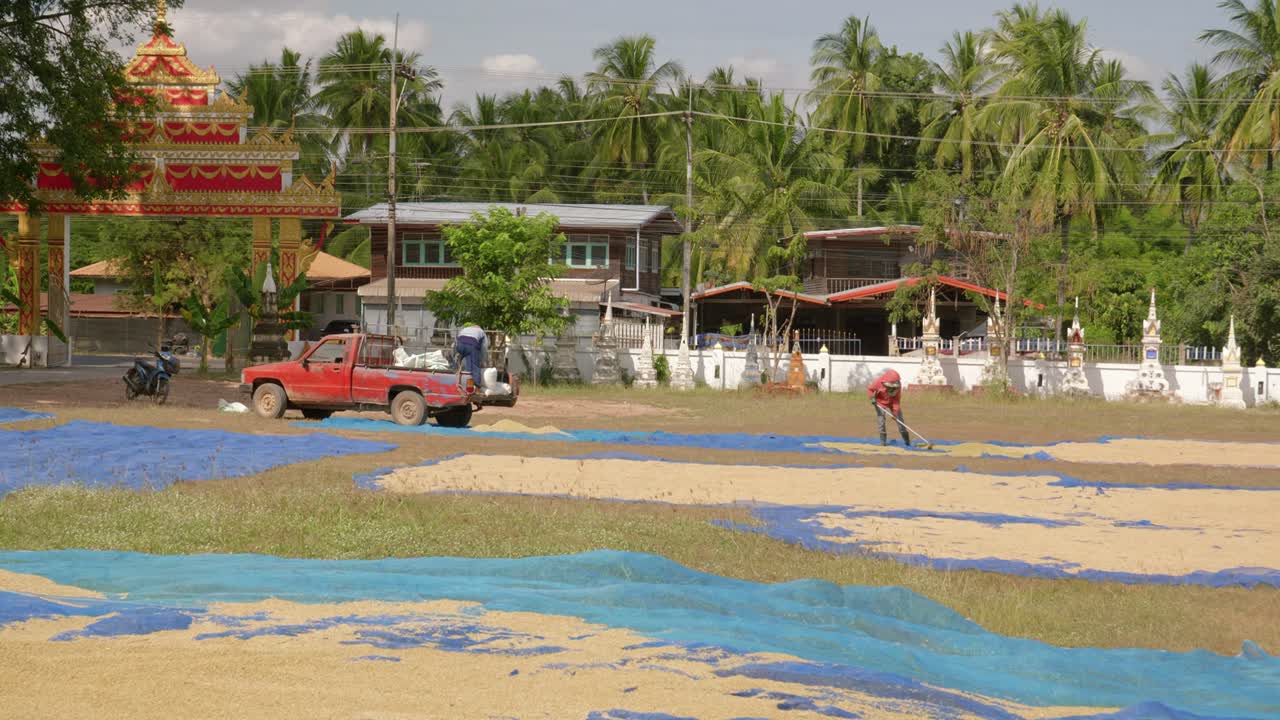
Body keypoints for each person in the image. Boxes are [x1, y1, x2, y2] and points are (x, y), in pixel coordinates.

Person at [867, 369, 910, 447]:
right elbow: (870, 389)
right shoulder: (878, 382)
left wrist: (895, 413)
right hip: (880, 403)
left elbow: (896, 401)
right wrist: (872, 398)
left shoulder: (898, 386)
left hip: (893, 402)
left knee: (900, 421)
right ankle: (883, 442)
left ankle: (907, 441)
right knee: (881, 421)